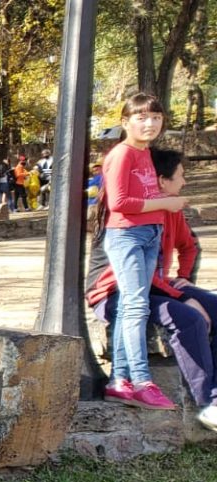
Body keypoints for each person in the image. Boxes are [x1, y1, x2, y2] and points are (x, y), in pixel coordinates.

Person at [87, 148, 217, 429]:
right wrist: (182, 297)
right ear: (161, 181)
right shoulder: (135, 218)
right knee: (189, 318)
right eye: (180, 176)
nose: (184, 183)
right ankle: (208, 402)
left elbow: (188, 246)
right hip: (115, 292)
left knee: (214, 307)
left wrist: (183, 278)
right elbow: (139, 278)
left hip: (155, 285)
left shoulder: (171, 209)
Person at [95, 93, 187, 410]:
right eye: (142, 118)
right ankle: (142, 381)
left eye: (156, 118)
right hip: (127, 236)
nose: (150, 124)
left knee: (129, 307)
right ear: (126, 122)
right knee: (136, 307)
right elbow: (119, 203)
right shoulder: (122, 155)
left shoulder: (144, 153)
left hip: (148, 235)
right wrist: (166, 203)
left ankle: (120, 381)